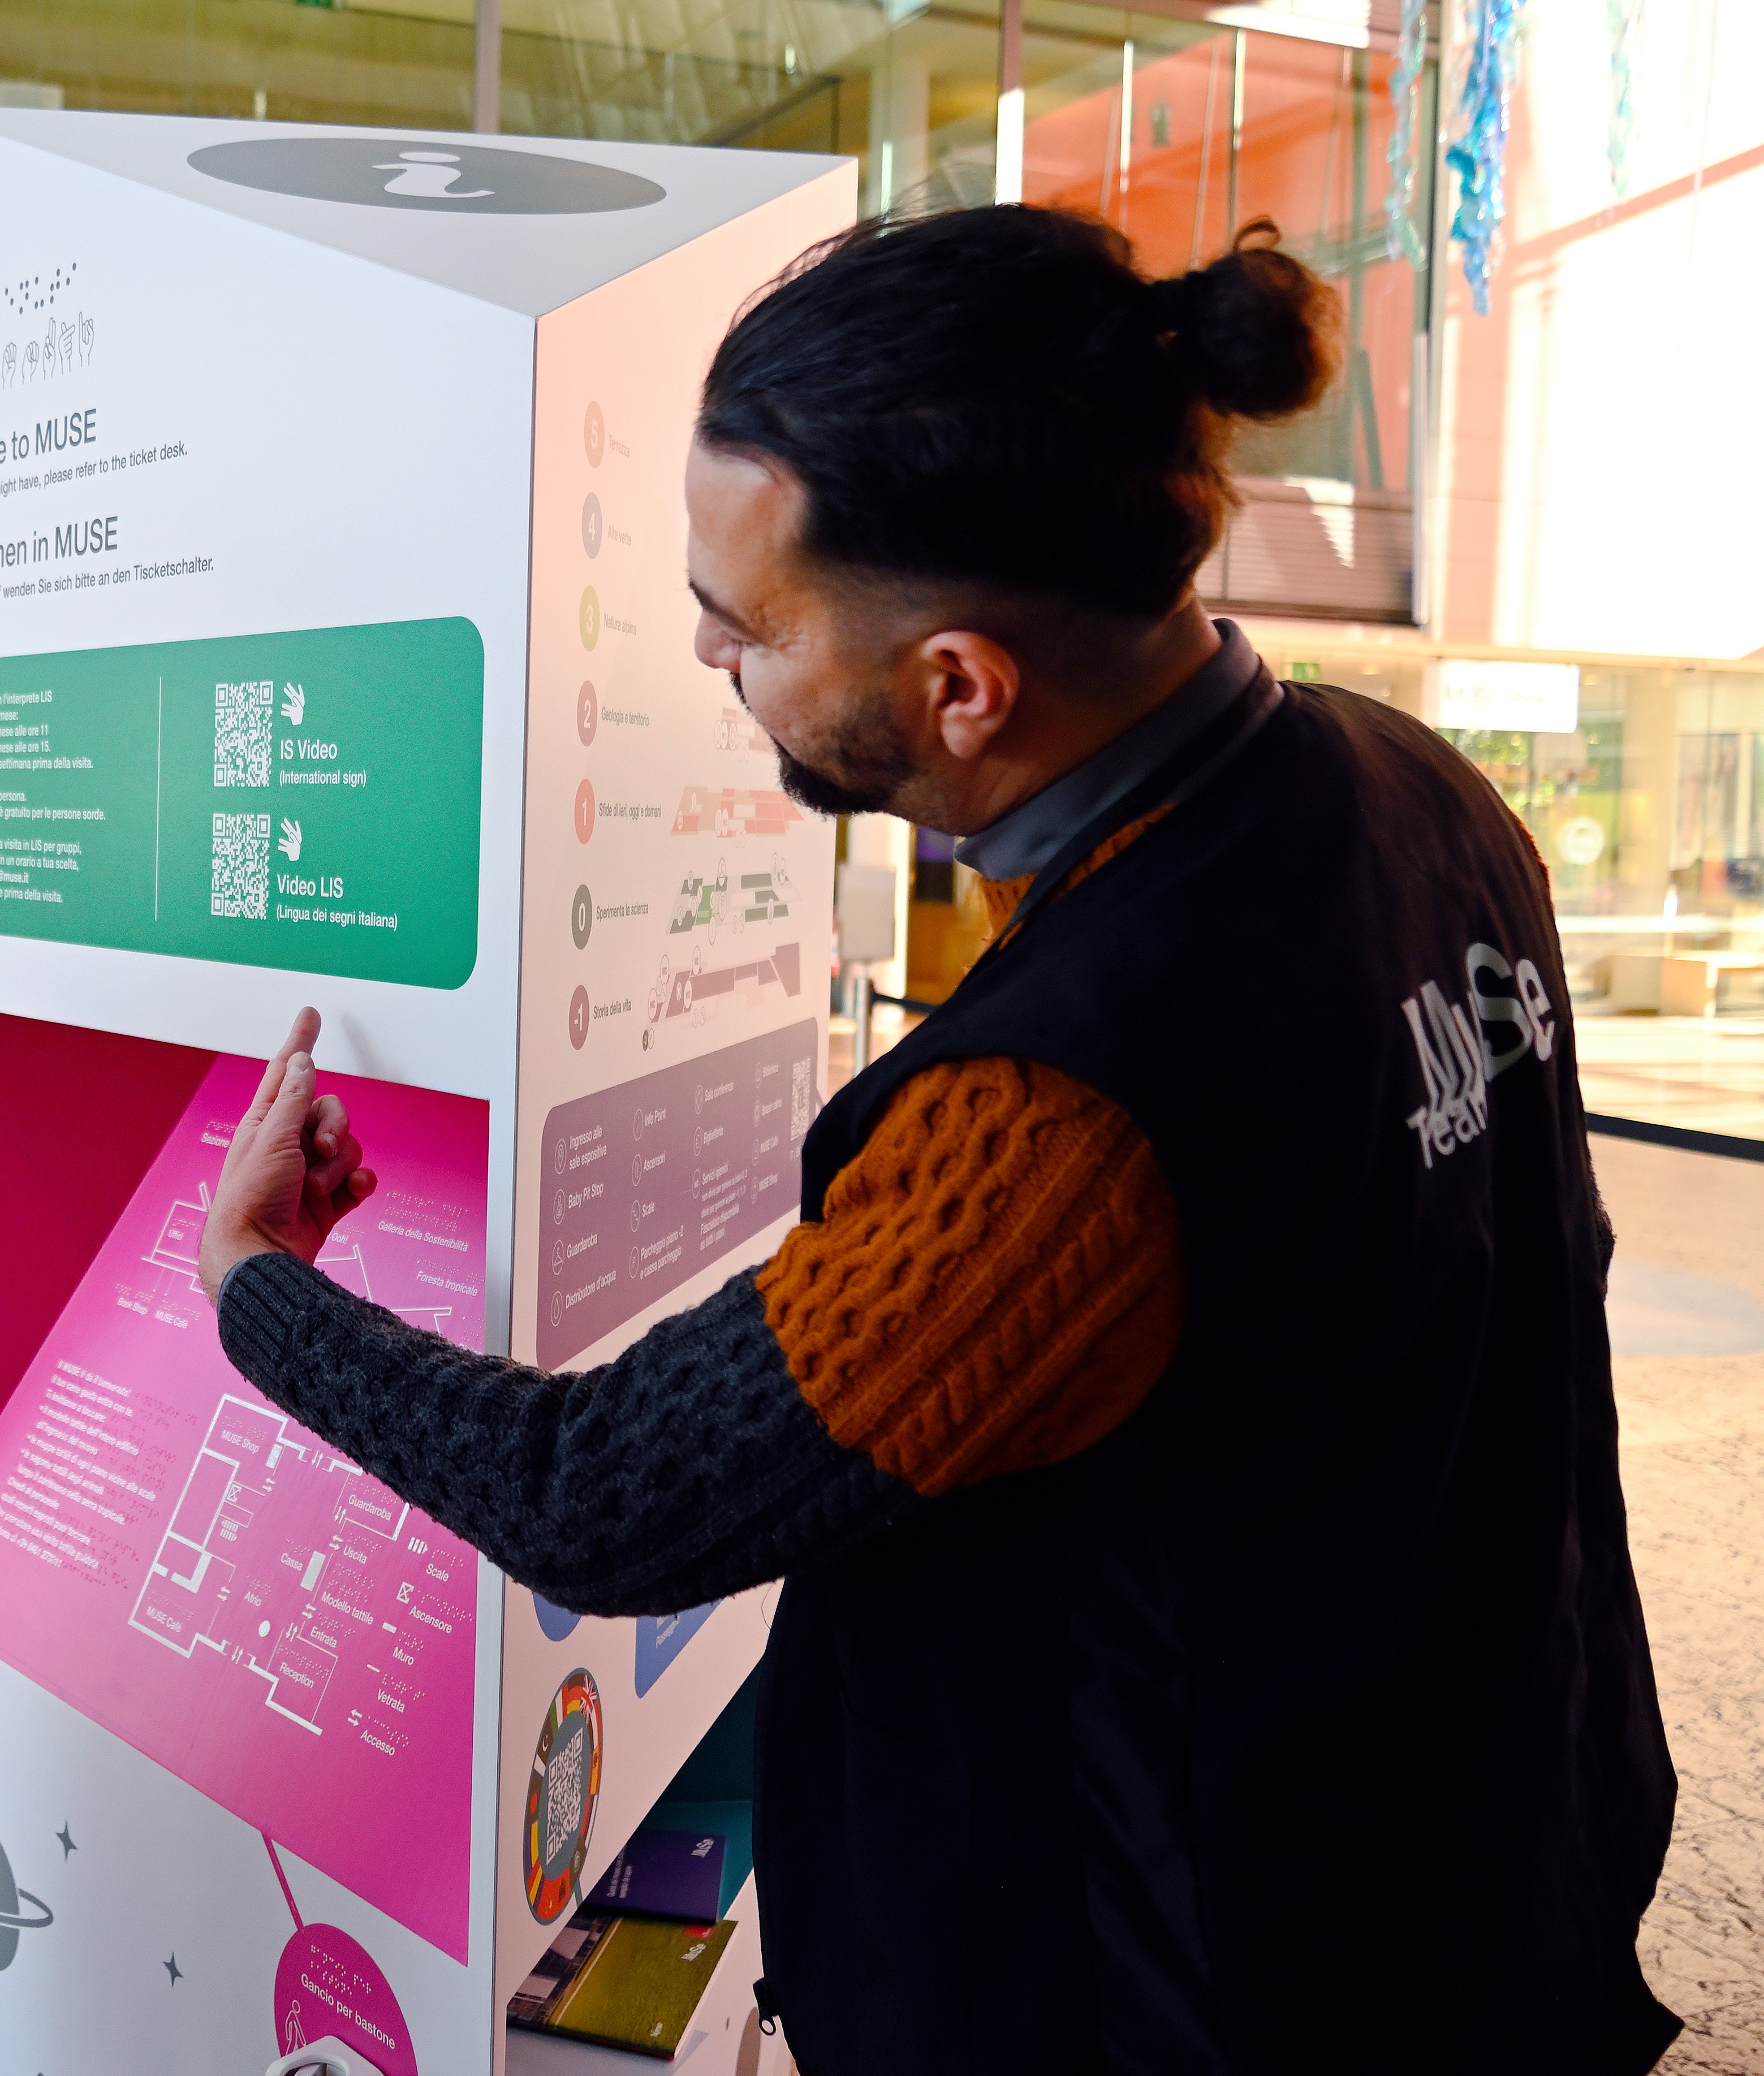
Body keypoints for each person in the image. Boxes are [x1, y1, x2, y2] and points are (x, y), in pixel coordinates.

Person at [196, 209, 1678, 2074]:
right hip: (1479, 1869)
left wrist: (253, 1285)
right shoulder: (1418, 789)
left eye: (744, 626)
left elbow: (604, 1494)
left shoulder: (1058, 1122)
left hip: (1203, 1986)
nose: (703, 650)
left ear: (960, 688)